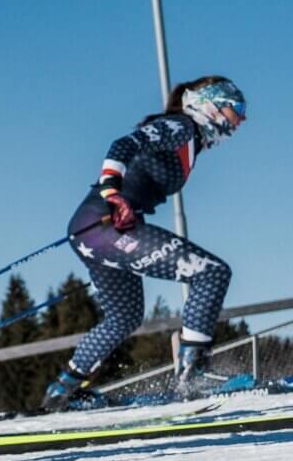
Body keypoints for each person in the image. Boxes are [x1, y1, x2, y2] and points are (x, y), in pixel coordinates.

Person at [39, 77, 247, 408]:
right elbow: (123, 144)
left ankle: (61, 392)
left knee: (124, 316)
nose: (242, 118)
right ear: (209, 104)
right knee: (210, 273)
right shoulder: (182, 126)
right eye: (236, 108)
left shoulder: (190, 140)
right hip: (105, 222)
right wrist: (112, 191)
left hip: (93, 228)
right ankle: (192, 375)